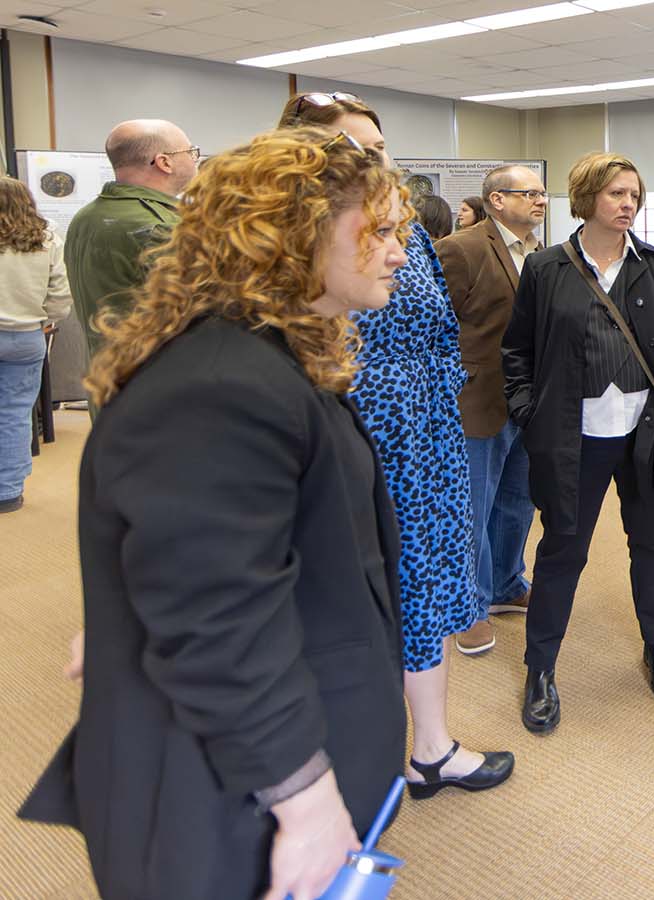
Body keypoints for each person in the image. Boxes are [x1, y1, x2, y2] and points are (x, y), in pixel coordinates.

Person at [19, 128, 410, 900]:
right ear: (293, 229)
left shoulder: (261, 357)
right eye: (383, 228)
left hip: (263, 742)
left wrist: (143, 601)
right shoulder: (224, 381)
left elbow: (205, 551)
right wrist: (304, 800)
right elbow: (216, 614)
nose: (399, 250)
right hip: (231, 790)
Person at [279, 92, 512, 798]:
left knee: (430, 585)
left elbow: (439, 323)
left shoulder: (398, 226)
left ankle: (432, 745)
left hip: (427, 431)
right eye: (360, 149)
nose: (380, 162)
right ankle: (349, 756)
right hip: (362, 431)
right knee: (371, 591)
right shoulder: (297, 242)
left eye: (381, 148)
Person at [502, 151, 654, 735]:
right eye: (616, 194)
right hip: (571, 438)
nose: (628, 204)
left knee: (652, 544)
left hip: (642, 435)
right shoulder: (546, 268)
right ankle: (541, 669)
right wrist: (527, 412)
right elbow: (517, 351)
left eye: (634, 196)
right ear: (586, 199)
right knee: (563, 549)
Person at [437, 165, 544, 657]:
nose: (541, 200)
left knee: (519, 500)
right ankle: (468, 607)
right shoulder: (462, 248)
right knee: (472, 509)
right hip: (476, 401)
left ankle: (505, 584)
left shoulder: (539, 253)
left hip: (528, 401)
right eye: (530, 193)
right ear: (497, 200)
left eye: (543, 193)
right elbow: (435, 327)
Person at [64, 118, 197, 360]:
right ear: (164, 162)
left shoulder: (86, 216)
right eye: (190, 152)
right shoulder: (162, 227)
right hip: (159, 379)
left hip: (108, 375)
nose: (194, 159)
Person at [0, 176, 72, 514]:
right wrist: (46, 320)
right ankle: (7, 492)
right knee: (14, 415)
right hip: (26, 337)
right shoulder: (46, 239)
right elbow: (60, 294)